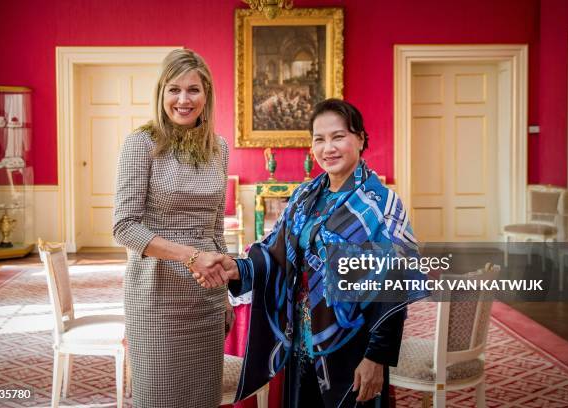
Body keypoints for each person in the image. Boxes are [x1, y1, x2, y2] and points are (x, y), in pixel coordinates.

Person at [194, 99, 428, 407]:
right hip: (301, 341)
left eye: (338, 136)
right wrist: (237, 268)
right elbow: (273, 253)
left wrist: (377, 357)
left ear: (360, 138)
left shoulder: (383, 205)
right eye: (319, 139)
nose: (328, 147)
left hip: (354, 346)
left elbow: (394, 286)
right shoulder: (305, 196)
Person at [113, 48, 232, 407]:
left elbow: (216, 226)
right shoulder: (141, 143)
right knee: (159, 398)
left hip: (206, 297)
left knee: (202, 399)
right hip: (156, 296)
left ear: (207, 94)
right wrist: (190, 257)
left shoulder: (220, 148)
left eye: (193, 90)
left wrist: (224, 292)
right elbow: (124, 227)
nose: (184, 100)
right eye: (174, 89)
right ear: (161, 92)